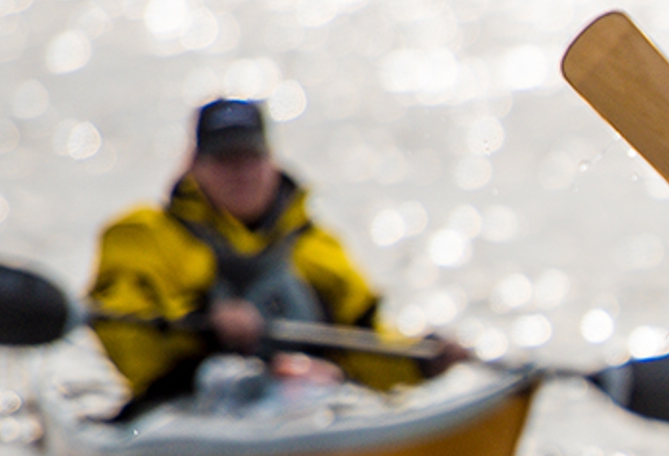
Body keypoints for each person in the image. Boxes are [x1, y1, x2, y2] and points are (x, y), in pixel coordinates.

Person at [85, 98, 448, 418]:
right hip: (188, 406)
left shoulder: (316, 246)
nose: (241, 173)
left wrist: (423, 359)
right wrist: (204, 324)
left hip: (308, 405)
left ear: (271, 161)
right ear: (195, 166)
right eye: (225, 159)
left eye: (251, 157)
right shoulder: (140, 236)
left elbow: (365, 339)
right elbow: (126, 340)